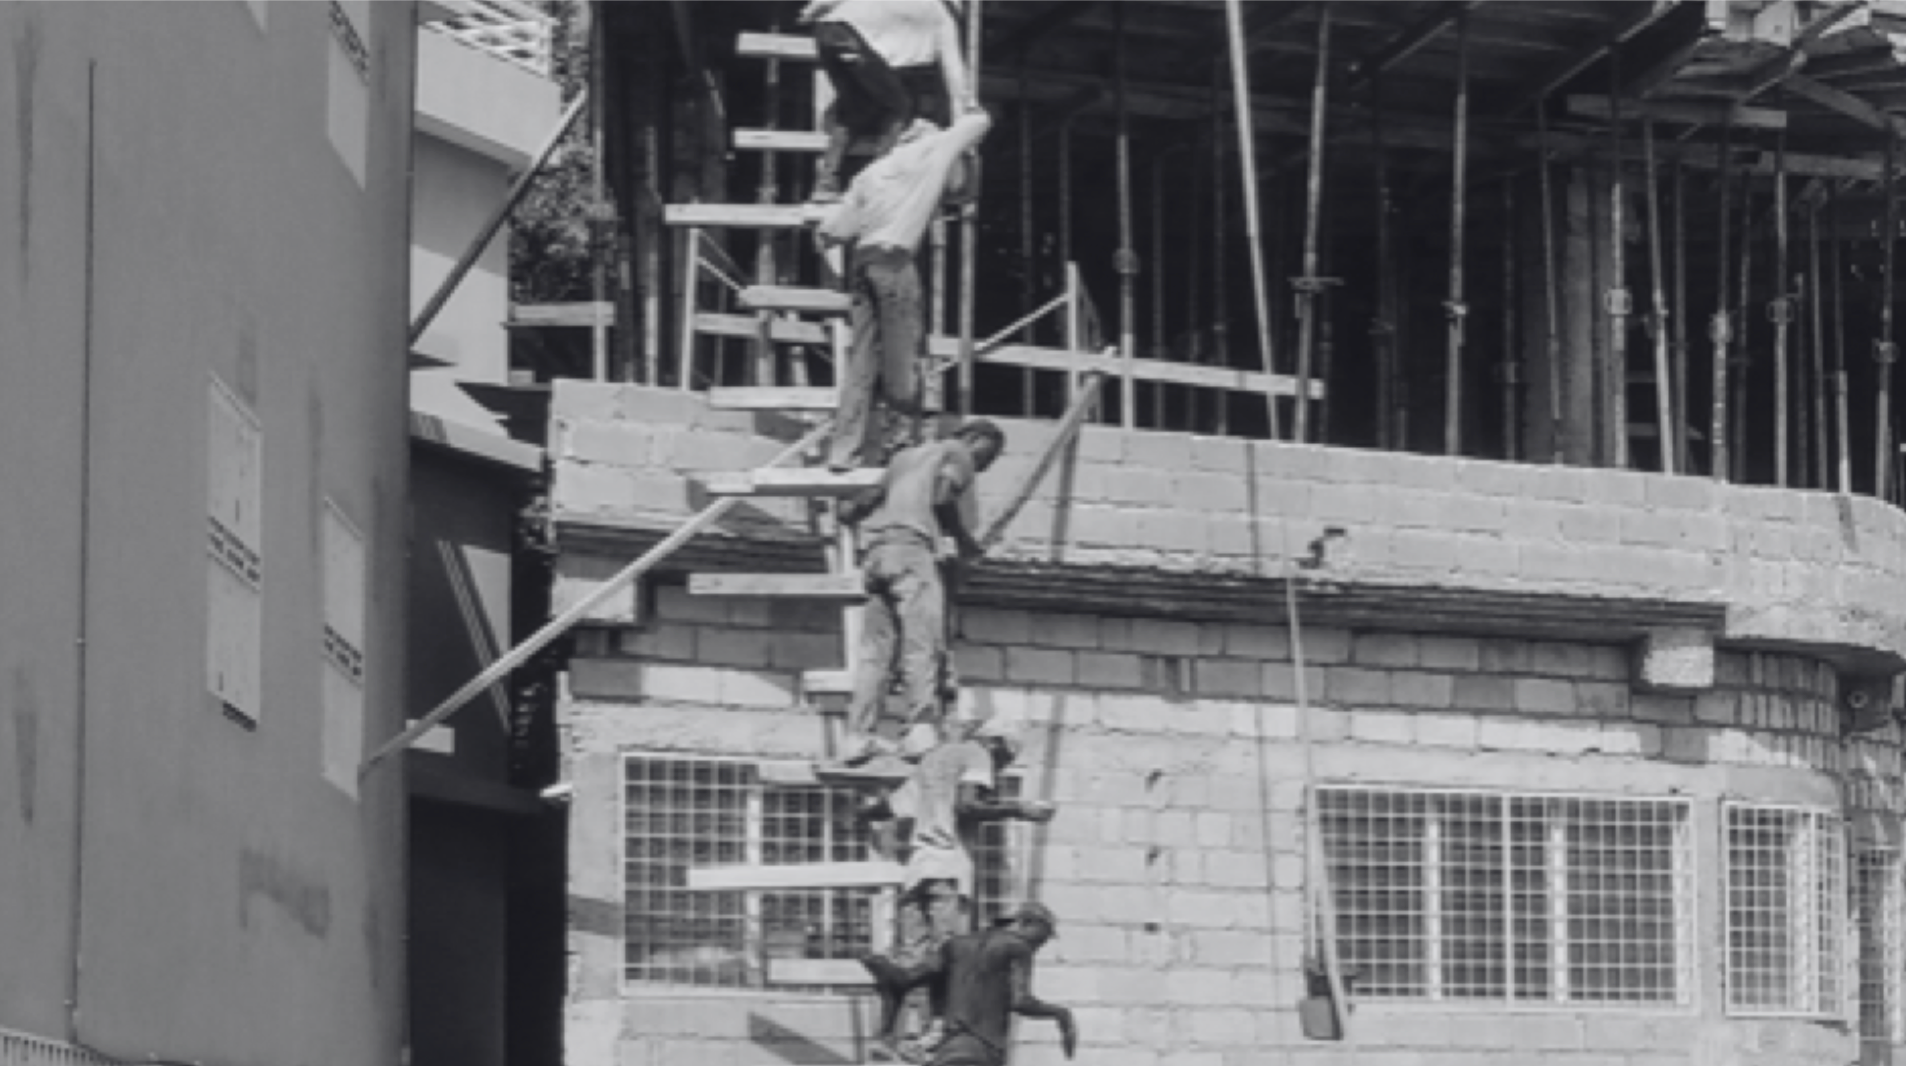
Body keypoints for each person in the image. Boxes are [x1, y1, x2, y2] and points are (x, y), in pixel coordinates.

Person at [812, 109, 992, 472]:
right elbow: (980, 122)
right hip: (895, 263)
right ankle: (901, 447)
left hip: (863, 263)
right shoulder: (930, 152)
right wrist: (965, 114)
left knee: (861, 364)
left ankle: (843, 452)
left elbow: (831, 231)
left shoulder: (870, 173)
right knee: (903, 360)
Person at [835, 420, 1004, 764]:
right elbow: (943, 498)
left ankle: (857, 736)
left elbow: (854, 507)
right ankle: (920, 730)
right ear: (974, 439)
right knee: (921, 643)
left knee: (874, 655)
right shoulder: (957, 453)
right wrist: (965, 543)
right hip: (913, 554)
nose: (983, 467)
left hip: (878, 556)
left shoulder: (904, 458)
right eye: (987, 456)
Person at [862, 902, 1078, 1065]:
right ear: (1025, 923)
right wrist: (1062, 1015)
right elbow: (1020, 1001)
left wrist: (888, 1023)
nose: (1040, 944)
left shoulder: (955, 945)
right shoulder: (1018, 947)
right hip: (983, 1052)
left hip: (949, 1052)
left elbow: (905, 979)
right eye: (1043, 936)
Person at [798, 0, 971, 203]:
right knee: (900, 107)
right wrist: (964, 123)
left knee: (854, 111)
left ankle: (825, 185)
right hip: (856, 41)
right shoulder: (943, 18)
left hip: (828, 32)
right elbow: (955, 76)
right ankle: (877, 183)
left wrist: (815, 7)